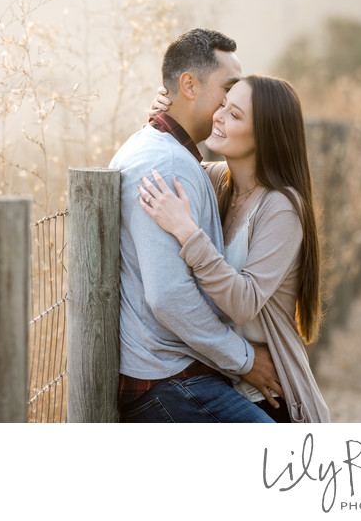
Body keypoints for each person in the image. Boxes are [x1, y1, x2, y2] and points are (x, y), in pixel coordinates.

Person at [109, 28, 282, 423]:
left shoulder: (164, 150)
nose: (231, 101)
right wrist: (244, 360)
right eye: (228, 88)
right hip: (171, 381)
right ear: (189, 84)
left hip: (179, 374)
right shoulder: (167, 165)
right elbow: (168, 295)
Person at [138, 74, 330, 422]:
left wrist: (187, 232)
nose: (218, 116)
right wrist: (162, 119)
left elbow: (243, 302)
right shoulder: (213, 179)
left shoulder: (281, 207)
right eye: (223, 105)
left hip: (269, 397)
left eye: (235, 115)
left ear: (266, 136)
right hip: (222, 384)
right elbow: (164, 162)